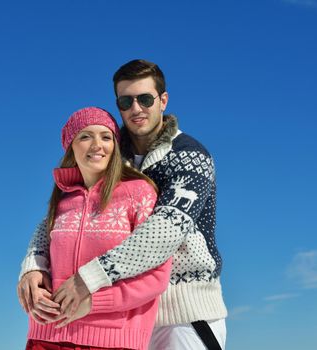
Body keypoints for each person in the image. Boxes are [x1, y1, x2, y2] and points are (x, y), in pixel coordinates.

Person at [18, 60, 228, 349]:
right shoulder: (111, 151)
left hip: (183, 311)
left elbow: (164, 231)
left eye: (145, 99)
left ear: (163, 100)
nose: (136, 109)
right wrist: (34, 264)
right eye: (126, 101)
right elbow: (64, 215)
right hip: (124, 318)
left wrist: (87, 279)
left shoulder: (190, 156)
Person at [24, 107, 172, 350]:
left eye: (106, 137)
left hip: (111, 342)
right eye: (85, 136)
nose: (97, 145)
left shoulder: (138, 193)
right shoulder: (62, 200)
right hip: (46, 338)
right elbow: (43, 258)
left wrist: (94, 302)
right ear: (71, 145)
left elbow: (156, 277)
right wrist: (34, 281)